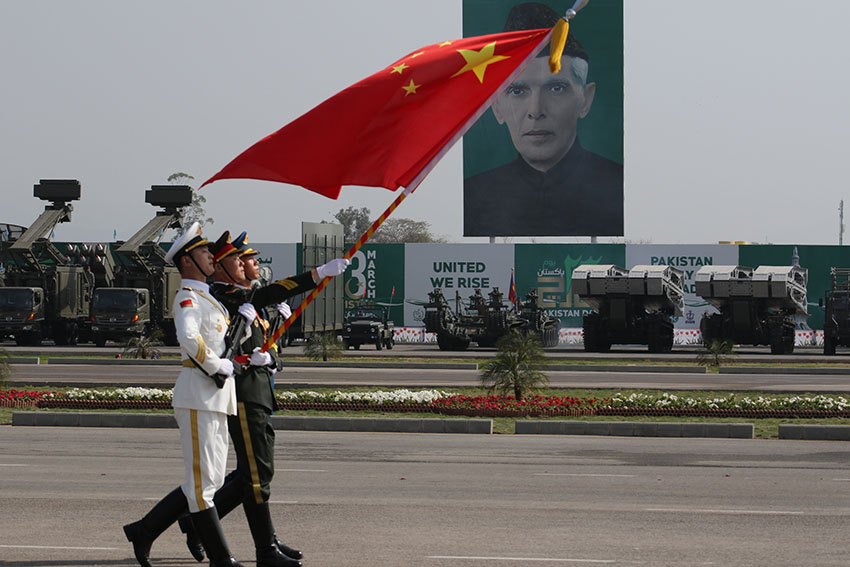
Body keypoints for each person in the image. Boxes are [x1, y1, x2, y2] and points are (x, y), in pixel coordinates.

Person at [206, 230, 349, 567]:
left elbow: (266, 329)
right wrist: (316, 275)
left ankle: (205, 526)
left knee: (255, 473)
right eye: (238, 259)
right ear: (221, 266)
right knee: (255, 475)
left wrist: (271, 359)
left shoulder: (246, 298)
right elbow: (261, 300)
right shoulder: (222, 296)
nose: (245, 264)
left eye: (246, 259)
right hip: (242, 394)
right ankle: (260, 548)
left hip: (260, 393)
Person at [123, 222, 248, 567]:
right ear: (188, 260)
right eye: (205, 251)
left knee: (212, 479)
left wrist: (245, 326)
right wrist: (216, 365)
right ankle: (221, 559)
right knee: (202, 484)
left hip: (214, 398)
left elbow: (218, 339)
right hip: (198, 394)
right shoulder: (187, 297)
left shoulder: (207, 297)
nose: (212, 256)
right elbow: (189, 338)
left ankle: (145, 530)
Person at [463, 1, 623, 237]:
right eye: (517, 91)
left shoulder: (615, 188)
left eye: (556, 89)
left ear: (585, 99)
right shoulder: (473, 196)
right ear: (496, 107)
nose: (536, 110)